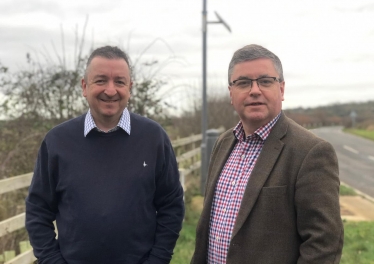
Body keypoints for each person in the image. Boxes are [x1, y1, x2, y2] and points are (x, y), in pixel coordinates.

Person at [26, 46, 184, 264]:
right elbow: (37, 210)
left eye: (119, 82)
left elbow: (171, 205)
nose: (110, 90)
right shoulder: (57, 141)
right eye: (100, 80)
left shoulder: (154, 138)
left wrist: (157, 259)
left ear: (130, 87)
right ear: (84, 86)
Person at [191, 44, 343, 264]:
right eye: (243, 82)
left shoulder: (311, 152)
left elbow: (324, 245)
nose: (254, 90)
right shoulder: (223, 143)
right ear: (231, 93)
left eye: (265, 81)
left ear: (281, 90)